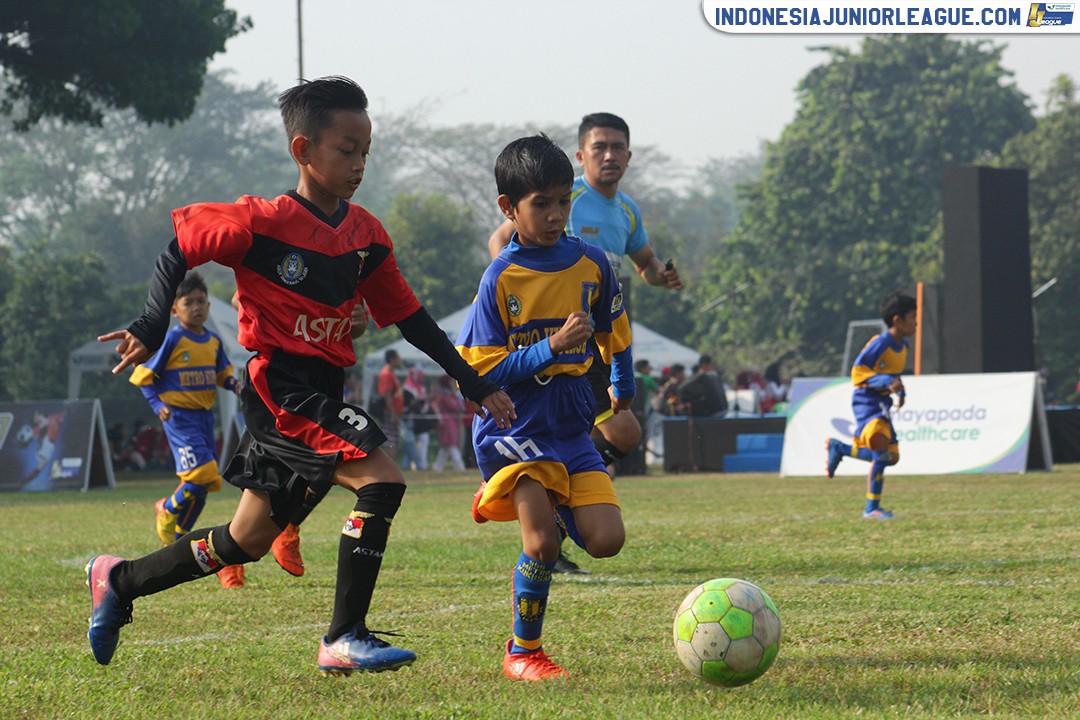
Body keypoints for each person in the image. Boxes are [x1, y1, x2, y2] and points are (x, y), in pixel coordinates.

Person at [87, 76, 515, 674]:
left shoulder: (366, 235)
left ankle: (119, 580)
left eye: (366, 150)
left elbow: (410, 318)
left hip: (324, 389)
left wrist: (472, 381)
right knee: (383, 479)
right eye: (346, 149)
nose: (360, 163)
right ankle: (344, 637)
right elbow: (178, 248)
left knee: (245, 542)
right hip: (280, 388)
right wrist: (153, 321)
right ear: (302, 149)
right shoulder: (259, 222)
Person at [461, 134, 633, 680]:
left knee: (607, 541)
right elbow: (478, 373)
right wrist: (548, 348)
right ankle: (523, 652)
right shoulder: (499, 279)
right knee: (541, 542)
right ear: (508, 209)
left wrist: (620, 399)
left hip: (568, 424)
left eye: (564, 201)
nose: (557, 214)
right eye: (542, 204)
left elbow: (615, 338)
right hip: (513, 424)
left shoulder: (594, 264)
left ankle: (542, 502)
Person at [486, 112, 681, 574]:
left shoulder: (627, 210)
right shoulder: (563, 193)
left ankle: (556, 506)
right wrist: (524, 297)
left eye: (618, 148)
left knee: (626, 431)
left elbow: (644, 264)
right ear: (581, 155)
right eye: (600, 148)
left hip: (595, 341)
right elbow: (500, 240)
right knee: (622, 430)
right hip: (557, 345)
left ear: (629, 156)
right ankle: (547, 511)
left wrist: (662, 277)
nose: (610, 155)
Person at [129, 272, 244, 588]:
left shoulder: (213, 340)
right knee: (205, 474)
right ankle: (166, 509)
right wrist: (157, 405)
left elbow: (222, 373)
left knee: (203, 487)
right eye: (188, 302)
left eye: (201, 302)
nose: (197, 308)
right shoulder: (172, 339)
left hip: (205, 419)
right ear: (174, 310)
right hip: (179, 418)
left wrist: (236, 386)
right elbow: (143, 376)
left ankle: (179, 541)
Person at [825, 291, 918, 520]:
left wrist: (900, 391)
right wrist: (886, 381)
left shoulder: (903, 346)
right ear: (897, 319)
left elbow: (892, 375)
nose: (917, 322)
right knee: (879, 444)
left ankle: (840, 448)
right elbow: (858, 372)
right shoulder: (881, 343)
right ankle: (871, 509)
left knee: (890, 457)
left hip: (883, 403)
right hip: (866, 402)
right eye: (913, 317)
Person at [431, 375, 466, 471]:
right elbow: (455, 406)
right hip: (447, 422)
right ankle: (459, 466)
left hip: (451, 421)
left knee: (445, 446)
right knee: (451, 445)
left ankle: (438, 467)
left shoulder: (448, 393)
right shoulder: (444, 394)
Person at [377, 349, 405, 460]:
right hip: (389, 412)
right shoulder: (386, 374)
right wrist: (393, 413)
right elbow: (387, 394)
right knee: (391, 440)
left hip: (393, 411)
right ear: (392, 359)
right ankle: (389, 467)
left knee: (394, 439)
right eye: (397, 358)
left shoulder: (391, 373)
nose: (399, 360)